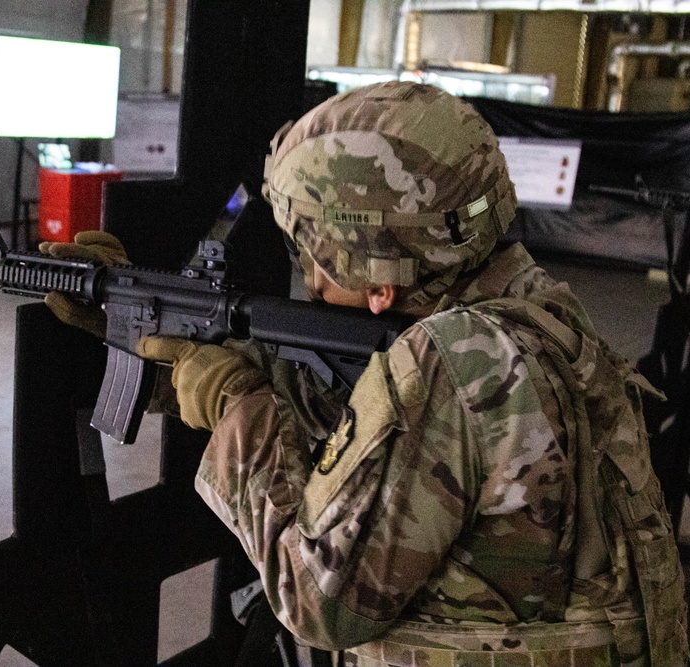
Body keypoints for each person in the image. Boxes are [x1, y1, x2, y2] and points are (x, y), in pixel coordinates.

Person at [41, 81, 689, 666]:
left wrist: (237, 403)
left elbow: (318, 599)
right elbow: (367, 439)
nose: (313, 278)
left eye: (319, 254)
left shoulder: (453, 364)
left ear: (382, 277)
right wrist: (164, 351)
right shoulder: (533, 308)